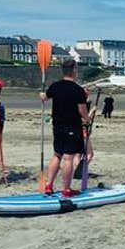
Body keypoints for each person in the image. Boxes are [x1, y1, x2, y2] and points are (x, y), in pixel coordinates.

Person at [40, 59, 90, 196]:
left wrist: (42, 95)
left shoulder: (55, 86)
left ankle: (49, 185)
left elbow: (45, 97)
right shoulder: (77, 90)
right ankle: (66, 189)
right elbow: (82, 110)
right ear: (74, 70)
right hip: (72, 126)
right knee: (68, 158)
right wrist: (88, 119)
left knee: (57, 154)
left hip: (57, 126)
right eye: (76, 69)